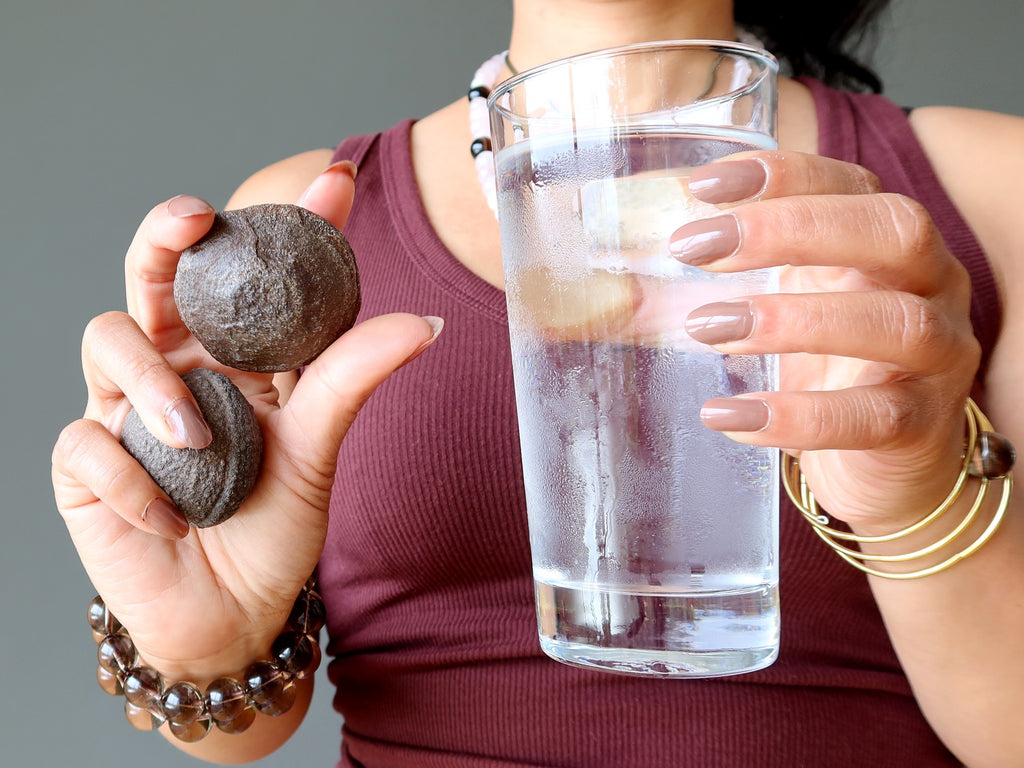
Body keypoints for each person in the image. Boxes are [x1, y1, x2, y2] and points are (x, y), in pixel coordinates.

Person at [51, 0, 1024, 765]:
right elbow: (239, 732)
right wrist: (200, 644)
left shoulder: (989, 190)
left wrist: (914, 487)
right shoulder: (299, 224)